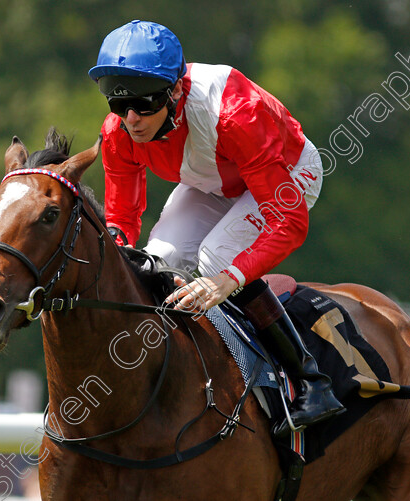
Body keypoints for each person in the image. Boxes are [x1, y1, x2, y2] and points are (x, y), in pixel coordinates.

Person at [89, 20, 344, 434]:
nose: (131, 120)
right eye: (119, 106)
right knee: (160, 261)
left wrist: (229, 279)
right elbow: (121, 221)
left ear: (175, 91)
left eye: (144, 104)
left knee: (216, 258)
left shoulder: (234, 114)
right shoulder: (118, 132)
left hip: (288, 176)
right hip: (215, 180)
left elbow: (291, 221)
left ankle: (310, 379)